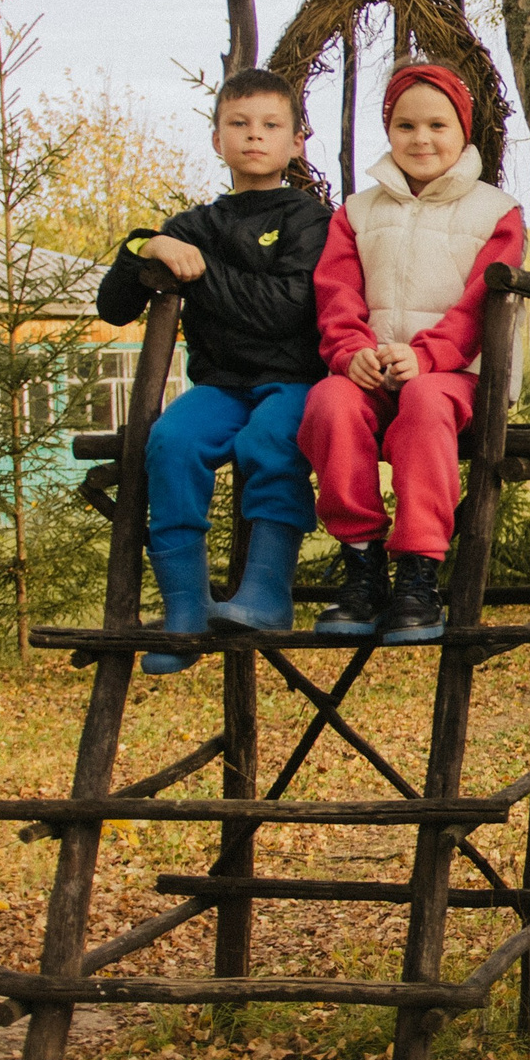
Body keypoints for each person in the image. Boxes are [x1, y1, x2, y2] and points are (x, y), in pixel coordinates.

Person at [96, 67, 329, 674]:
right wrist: (144, 246)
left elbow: (283, 310)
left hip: (296, 382)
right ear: (216, 138)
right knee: (169, 441)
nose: (255, 136)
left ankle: (267, 594)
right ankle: (185, 612)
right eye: (239, 124)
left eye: (271, 125)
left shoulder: (309, 220)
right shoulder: (195, 224)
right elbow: (114, 307)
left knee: (270, 441)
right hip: (220, 386)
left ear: (296, 141)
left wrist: (202, 274)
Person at [296, 62, 524, 644]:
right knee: (328, 402)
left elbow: (480, 302)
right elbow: (336, 292)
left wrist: (427, 356)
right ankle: (361, 562)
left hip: (455, 376)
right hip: (372, 370)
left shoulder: (495, 210)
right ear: (389, 131)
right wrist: (351, 353)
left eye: (437, 125)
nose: (421, 139)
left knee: (423, 401)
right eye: (405, 126)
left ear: (463, 130)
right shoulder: (358, 211)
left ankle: (419, 574)